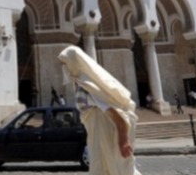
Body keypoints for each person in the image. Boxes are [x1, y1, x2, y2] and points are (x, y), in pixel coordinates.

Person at [58, 45, 141, 175]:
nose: (64, 68)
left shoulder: (88, 86)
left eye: (65, 64)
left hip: (104, 134)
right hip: (96, 134)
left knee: (116, 169)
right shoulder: (82, 83)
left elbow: (113, 110)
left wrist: (123, 139)